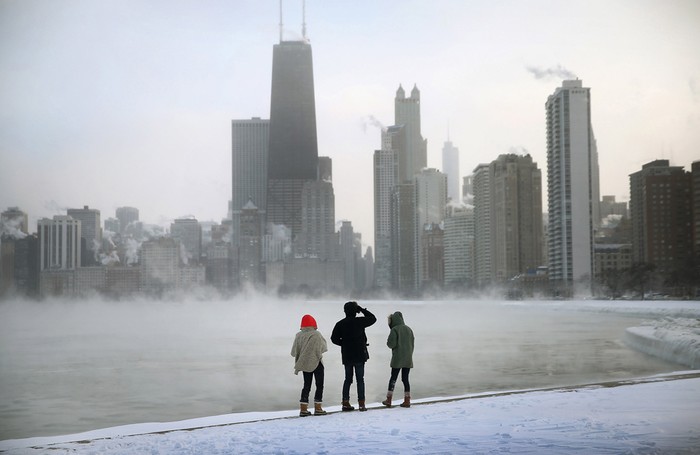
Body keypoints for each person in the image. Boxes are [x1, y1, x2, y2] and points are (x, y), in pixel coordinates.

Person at [330, 301, 376, 411]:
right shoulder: (360, 322)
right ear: (356, 312)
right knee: (360, 380)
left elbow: (333, 339)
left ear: (345, 311)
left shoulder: (340, 324)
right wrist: (362, 309)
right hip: (360, 354)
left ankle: (345, 402)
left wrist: (344, 343)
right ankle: (361, 404)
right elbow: (373, 318)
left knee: (348, 379)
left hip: (347, 355)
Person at [291, 314, 328, 416]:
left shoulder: (298, 335)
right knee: (319, 385)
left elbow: (294, 352)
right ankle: (318, 408)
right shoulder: (316, 334)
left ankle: (303, 409)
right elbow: (323, 347)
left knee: (306, 385)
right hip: (317, 363)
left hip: (304, 363)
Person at [382, 311, 414, 408]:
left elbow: (391, 344)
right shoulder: (409, 329)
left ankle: (389, 399)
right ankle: (407, 400)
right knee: (405, 379)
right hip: (408, 357)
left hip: (398, 358)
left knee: (393, 379)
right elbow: (412, 343)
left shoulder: (395, 329)